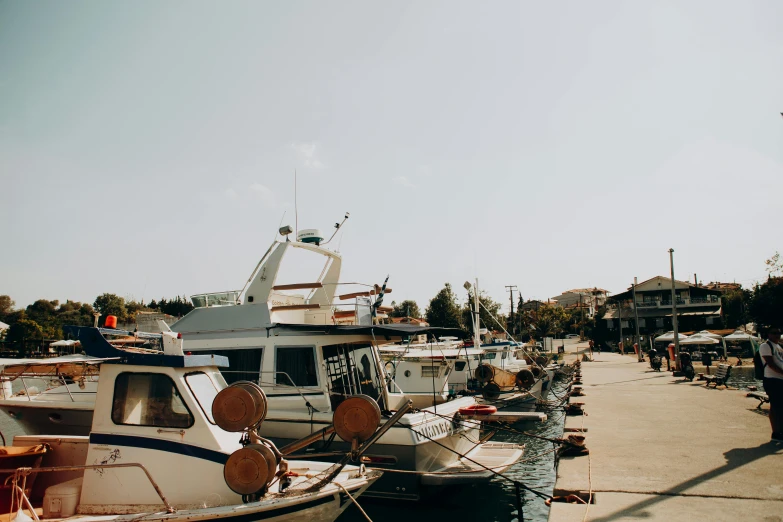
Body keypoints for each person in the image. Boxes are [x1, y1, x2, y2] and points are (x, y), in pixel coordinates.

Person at [759, 327, 783, 442]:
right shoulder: (765, 346)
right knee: (775, 406)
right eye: (774, 333)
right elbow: (771, 364)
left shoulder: (778, 347)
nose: (777, 335)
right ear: (768, 334)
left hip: (780, 379)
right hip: (772, 379)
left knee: (780, 406)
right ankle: (776, 432)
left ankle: (780, 430)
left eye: (779, 333)